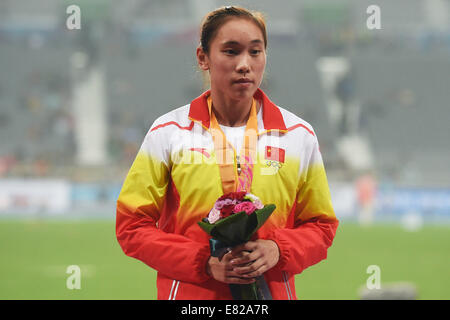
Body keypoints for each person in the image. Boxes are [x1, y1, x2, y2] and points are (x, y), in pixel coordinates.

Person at [116, 6, 339, 300]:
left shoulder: (298, 135)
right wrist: (204, 263)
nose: (244, 64)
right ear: (203, 58)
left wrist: (277, 249)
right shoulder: (168, 132)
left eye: (255, 52)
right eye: (231, 52)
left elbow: (321, 227)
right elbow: (132, 226)